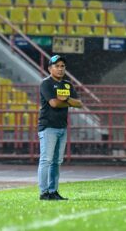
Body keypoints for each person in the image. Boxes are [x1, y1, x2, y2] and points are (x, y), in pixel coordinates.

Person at [37, 55, 82, 201]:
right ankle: (44, 193)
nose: (60, 68)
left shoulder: (67, 85)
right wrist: (68, 102)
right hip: (48, 126)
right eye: (57, 66)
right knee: (46, 160)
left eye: (63, 66)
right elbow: (54, 104)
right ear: (50, 68)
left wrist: (67, 100)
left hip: (62, 126)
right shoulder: (46, 84)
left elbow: (79, 103)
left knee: (57, 161)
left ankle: (53, 191)